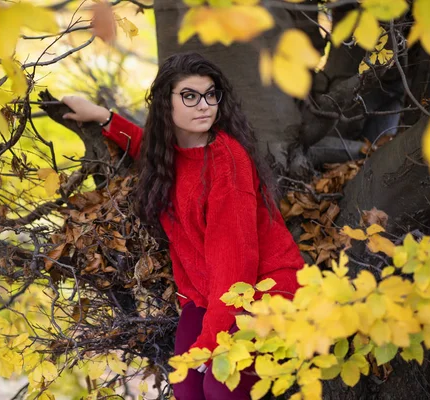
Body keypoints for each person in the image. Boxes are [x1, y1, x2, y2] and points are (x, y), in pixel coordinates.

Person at [61, 52, 305, 400]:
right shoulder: (170, 152)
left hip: (261, 291)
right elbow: (146, 146)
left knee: (221, 390)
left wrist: (210, 342)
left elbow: (235, 264)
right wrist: (103, 117)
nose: (204, 105)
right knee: (187, 387)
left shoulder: (227, 163)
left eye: (211, 94)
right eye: (190, 96)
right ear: (166, 104)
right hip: (206, 293)